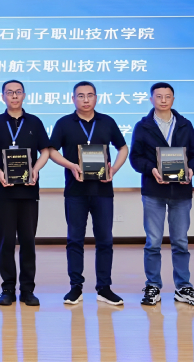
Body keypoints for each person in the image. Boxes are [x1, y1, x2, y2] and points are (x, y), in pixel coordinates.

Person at [49, 81, 129, 306]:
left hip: (103, 191)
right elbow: (52, 150)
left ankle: (104, 288)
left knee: (105, 240)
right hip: (75, 191)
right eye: (80, 95)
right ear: (73, 99)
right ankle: (76, 287)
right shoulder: (64, 123)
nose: (85, 99)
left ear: (96, 98)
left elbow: (123, 147)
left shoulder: (107, 122)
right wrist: (71, 166)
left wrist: (114, 169)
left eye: (90, 95)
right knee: (75, 240)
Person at [129, 82, 194, 307]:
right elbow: (135, 158)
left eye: (168, 96)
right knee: (153, 242)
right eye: (159, 96)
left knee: (180, 242)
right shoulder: (143, 126)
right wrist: (151, 169)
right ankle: (153, 286)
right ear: (151, 99)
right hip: (153, 191)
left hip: (181, 192)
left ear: (173, 99)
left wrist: (191, 169)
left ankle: (183, 287)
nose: (163, 100)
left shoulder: (185, 125)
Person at [0, 80, 51, 307]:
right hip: (4, 191)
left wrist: (36, 169)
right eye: (9, 92)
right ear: (2, 96)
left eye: (18, 92)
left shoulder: (34, 122)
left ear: (24, 95)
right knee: (6, 242)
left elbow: (45, 151)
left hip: (29, 191)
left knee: (28, 241)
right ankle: (8, 289)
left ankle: (28, 289)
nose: (14, 96)